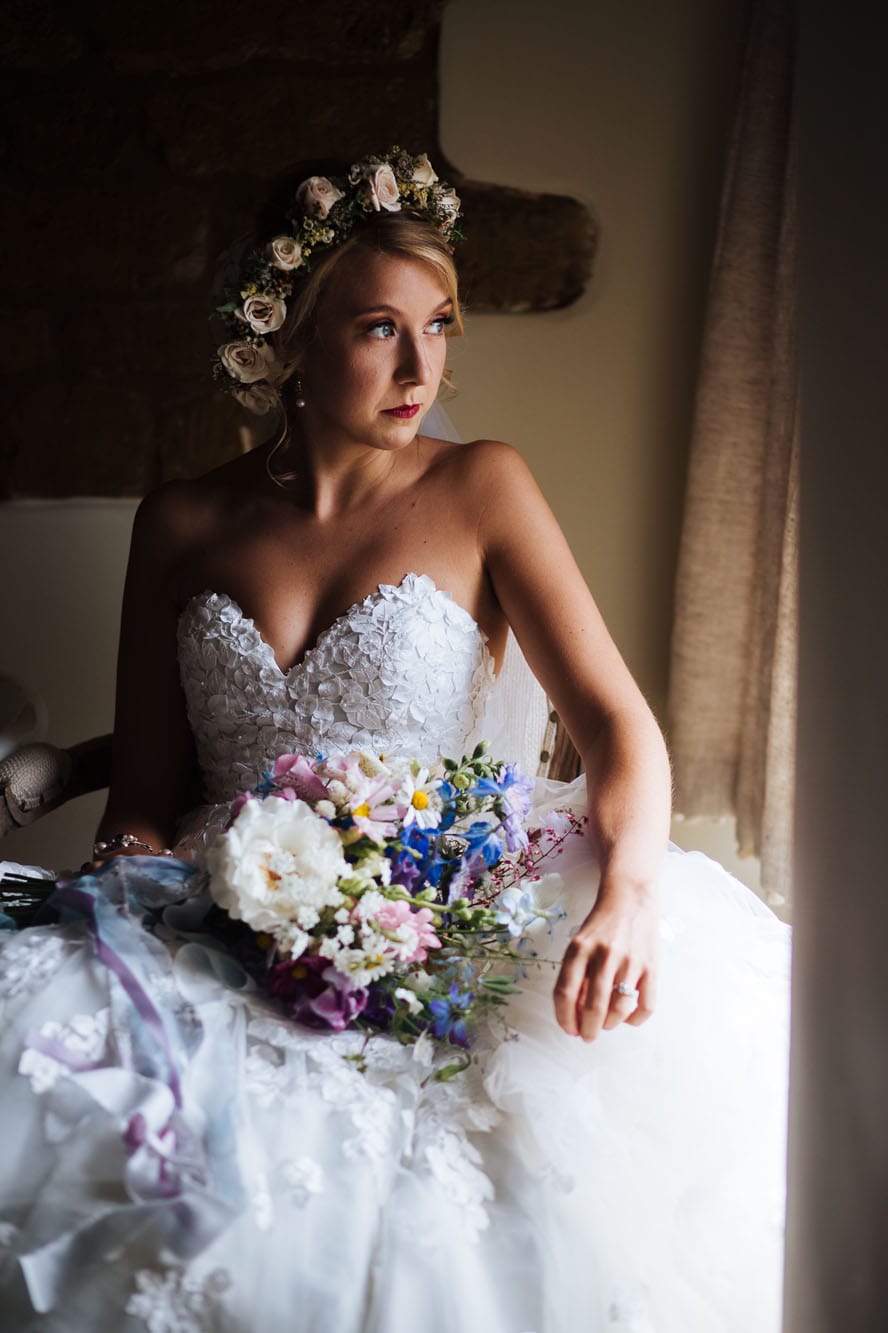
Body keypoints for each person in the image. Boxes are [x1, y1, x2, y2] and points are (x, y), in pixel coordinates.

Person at [0, 148, 790, 1333]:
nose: (424, 367)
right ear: (292, 340)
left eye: (441, 324)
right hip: (214, 907)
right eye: (380, 328)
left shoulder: (484, 487)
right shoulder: (179, 521)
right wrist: (127, 917)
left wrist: (626, 891)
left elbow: (619, 726)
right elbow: (151, 801)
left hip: (447, 894)